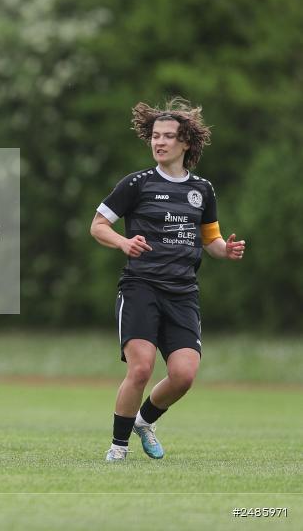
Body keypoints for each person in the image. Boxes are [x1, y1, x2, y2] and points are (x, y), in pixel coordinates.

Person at [90, 98, 245, 462]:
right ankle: (118, 448)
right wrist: (123, 242)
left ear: (186, 143)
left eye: (168, 137)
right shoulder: (137, 184)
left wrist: (227, 250)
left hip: (183, 293)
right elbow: (97, 226)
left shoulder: (202, 190)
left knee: (184, 376)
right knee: (141, 367)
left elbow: (211, 240)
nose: (159, 142)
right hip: (141, 286)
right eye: (155, 136)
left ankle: (145, 421)